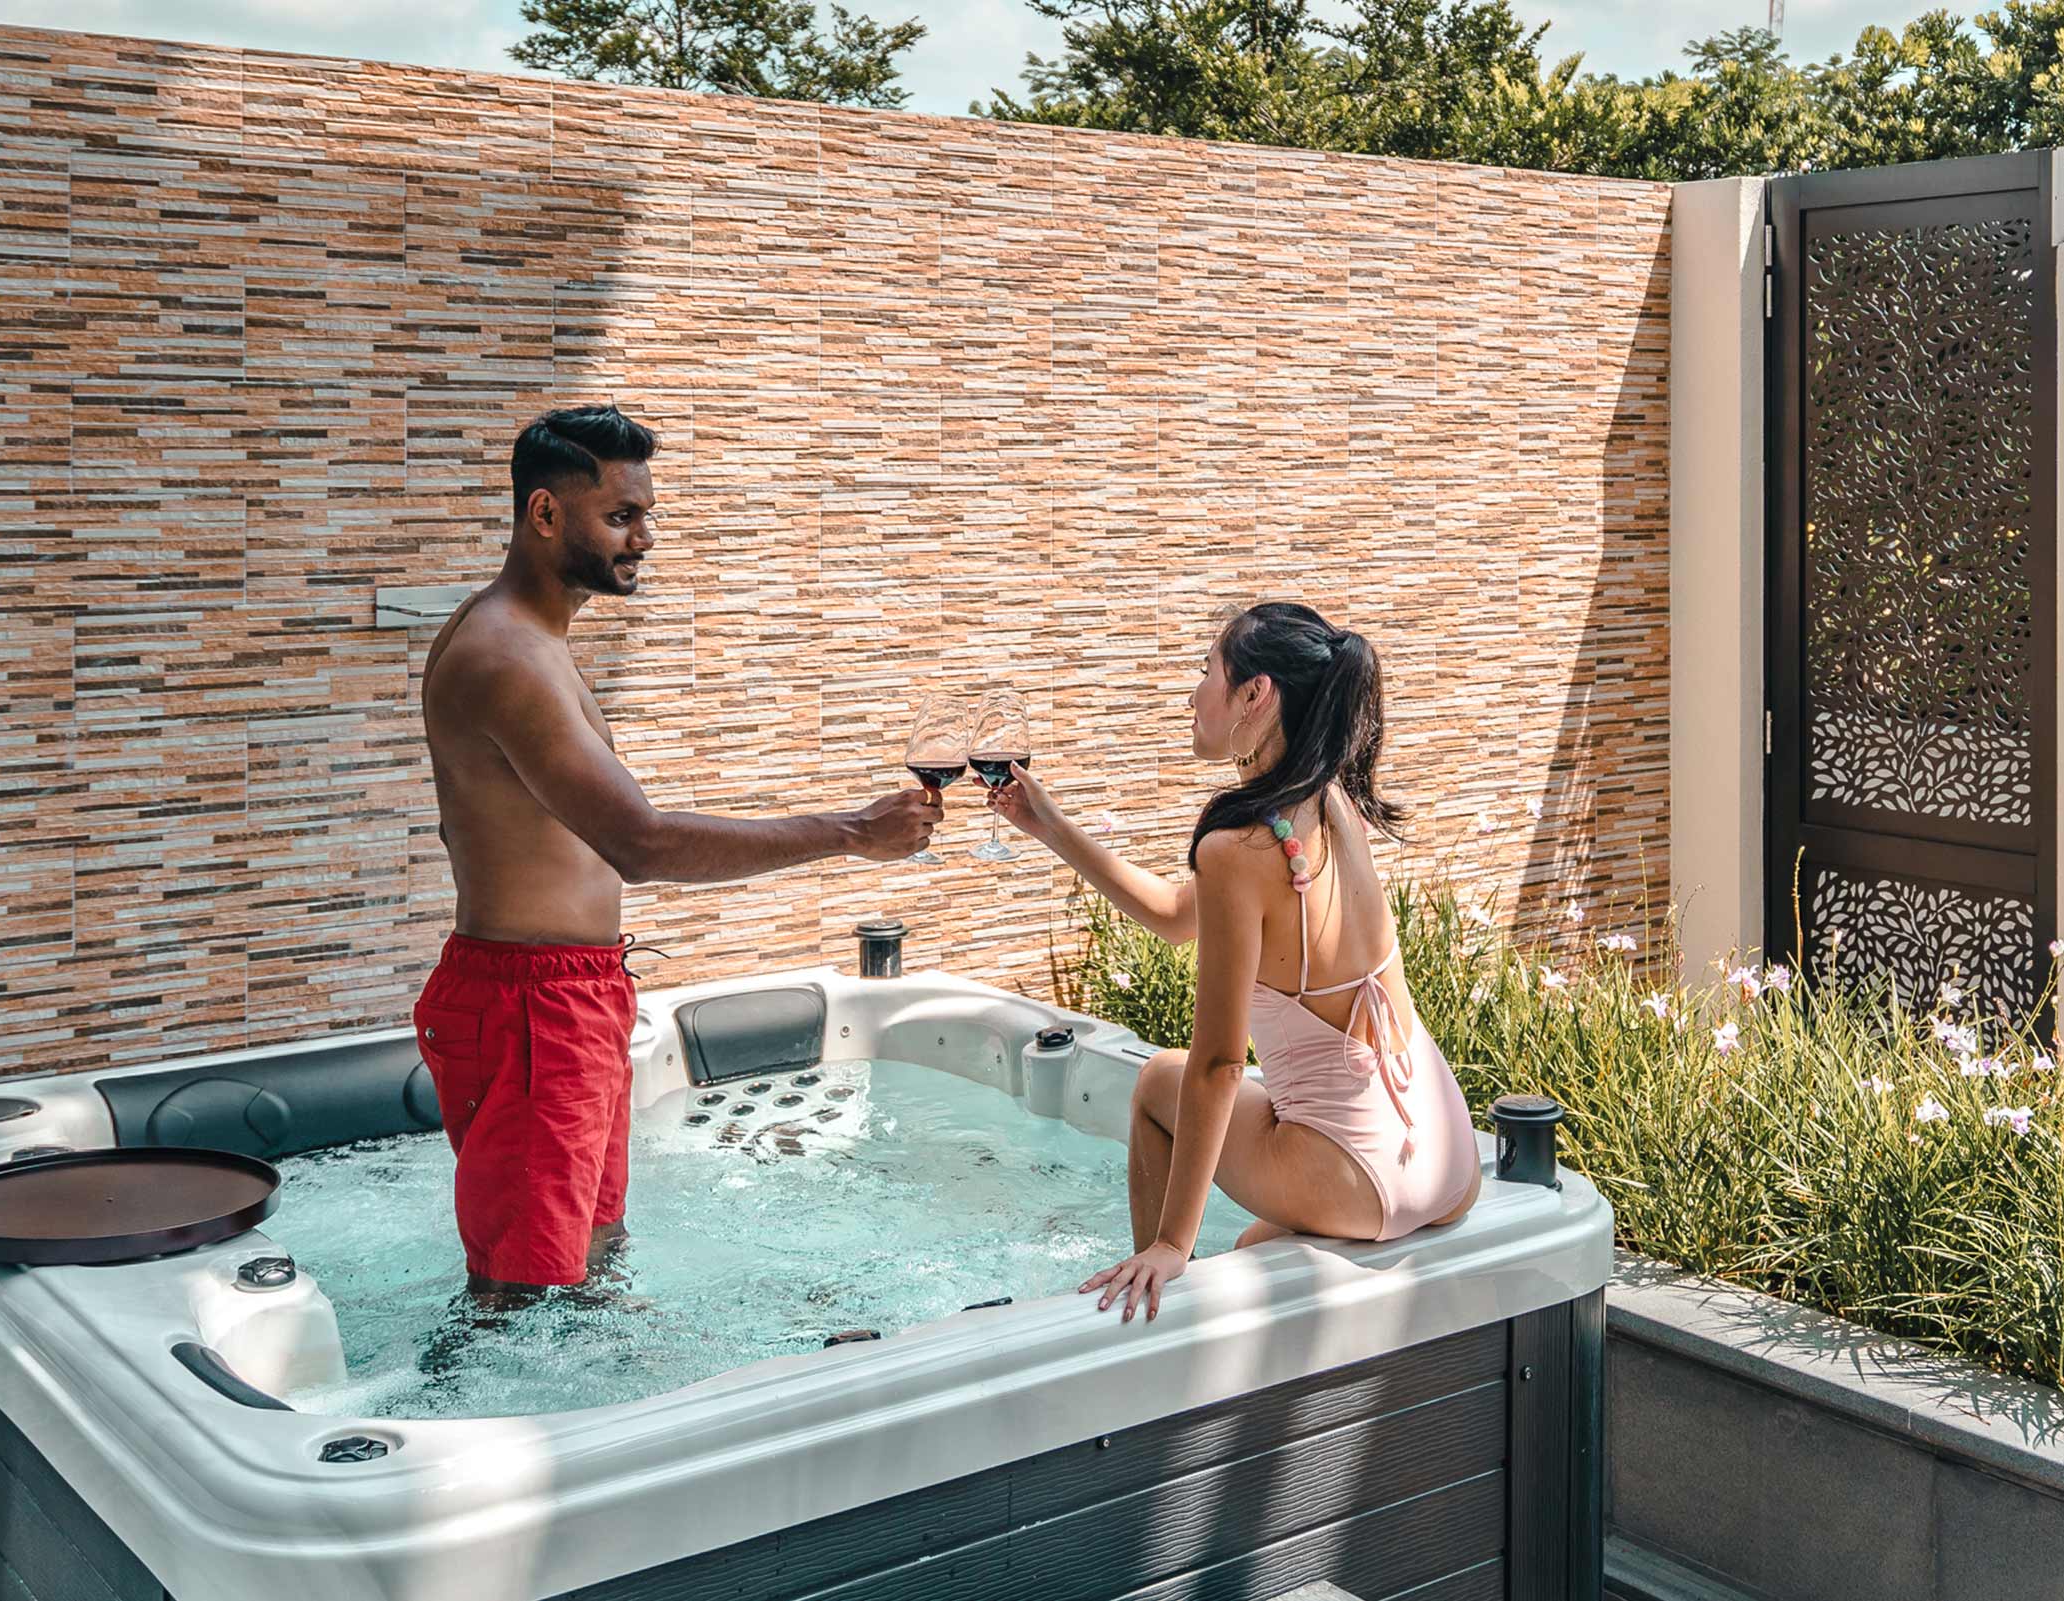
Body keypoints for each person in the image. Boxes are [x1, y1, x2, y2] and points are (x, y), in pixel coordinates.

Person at [415, 405, 939, 1303]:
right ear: (545, 515)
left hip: (563, 995)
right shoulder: (506, 655)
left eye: (646, 515)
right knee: (524, 1291)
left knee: (591, 1258)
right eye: (621, 517)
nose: (645, 538)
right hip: (531, 1007)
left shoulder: (533, 639)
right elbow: (639, 843)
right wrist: (850, 833)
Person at [988, 602, 1482, 1323]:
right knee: (1254, 1243)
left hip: (1362, 1174)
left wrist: (1172, 1245)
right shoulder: (1329, 800)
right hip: (1446, 1158)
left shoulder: (1237, 848)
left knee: (1162, 1078)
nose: (1193, 696)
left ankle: (1153, 1320)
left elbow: (1218, 1064)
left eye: (1206, 673)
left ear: (1255, 694)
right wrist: (1049, 824)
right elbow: (1171, 916)